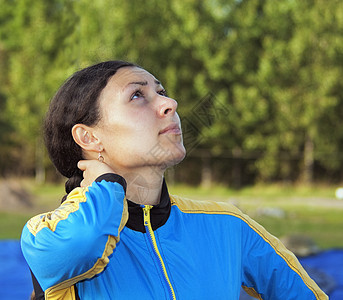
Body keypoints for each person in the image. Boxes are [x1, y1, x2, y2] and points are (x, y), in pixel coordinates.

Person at [21, 60, 327, 300]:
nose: (171, 104)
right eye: (138, 95)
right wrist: (107, 185)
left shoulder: (228, 225)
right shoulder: (45, 234)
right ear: (89, 136)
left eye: (162, 92)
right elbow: (82, 245)